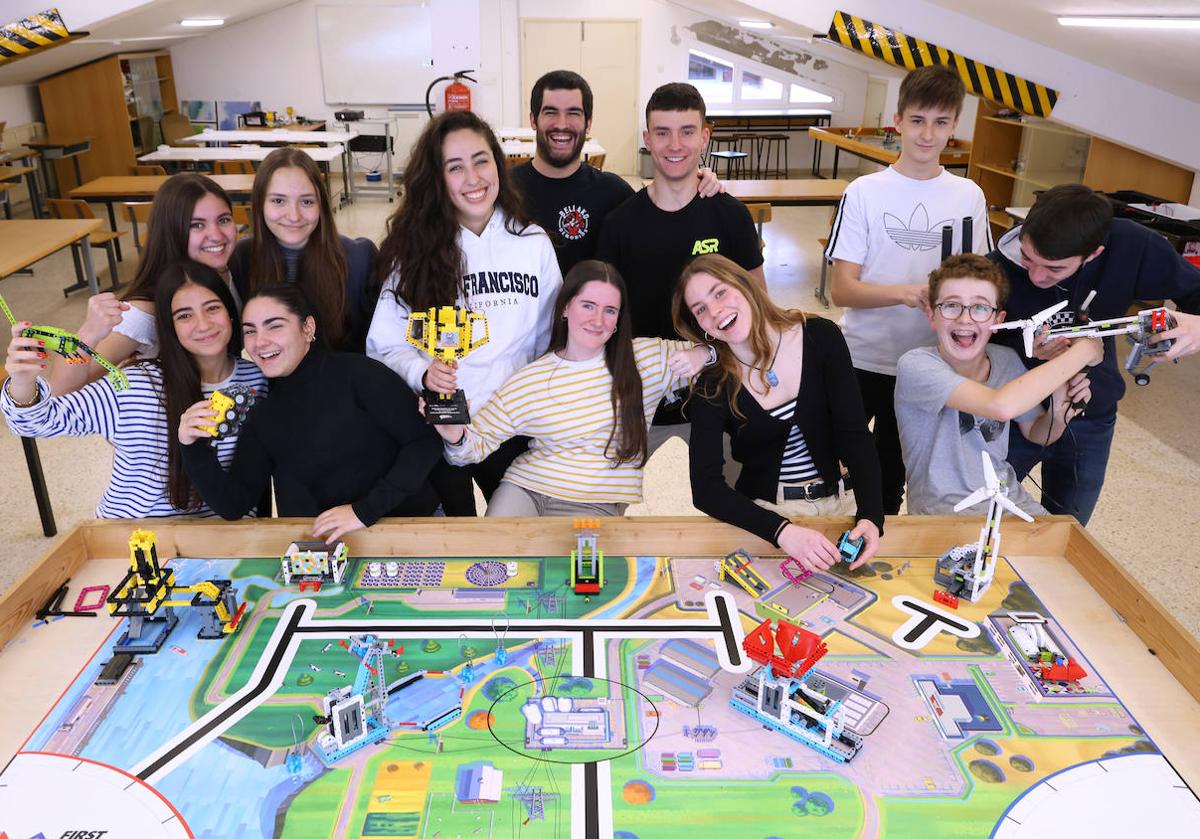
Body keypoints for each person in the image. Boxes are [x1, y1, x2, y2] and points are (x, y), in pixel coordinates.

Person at [366, 110, 563, 514]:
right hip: (438, 424)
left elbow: (552, 343)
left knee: (516, 539)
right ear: (437, 179)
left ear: (498, 164)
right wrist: (422, 372)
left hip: (511, 425)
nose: (473, 178)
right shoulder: (412, 250)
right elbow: (383, 345)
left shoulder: (532, 242)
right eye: (455, 167)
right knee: (454, 540)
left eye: (481, 160)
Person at [825, 64, 991, 516]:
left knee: (893, 480)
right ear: (897, 121)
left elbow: (981, 287)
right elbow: (842, 290)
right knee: (831, 471)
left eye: (940, 123)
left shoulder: (969, 196)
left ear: (955, 126)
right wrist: (905, 293)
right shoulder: (865, 192)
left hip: (929, 367)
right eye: (917, 121)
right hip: (862, 358)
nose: (927, 134)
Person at [430, 260, 711, 516]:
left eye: (609, 310)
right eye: (588, 305)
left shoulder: (646, 359)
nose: (598, 320)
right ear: (565, 307)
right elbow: (471, 447)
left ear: (618, 321)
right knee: (500, 563)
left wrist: (704, 354)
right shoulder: (532, 378)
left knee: (577, 573)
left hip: (595, 503)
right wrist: (454, 435)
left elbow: (726, 350)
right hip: (525, 489)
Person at [989, 184, 1200, 523]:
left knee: (1068, 530)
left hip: (1091, 416)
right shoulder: (997, 265)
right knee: (984, 517)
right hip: (1017, 418)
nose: (1036, 275)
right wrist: (1027, 350)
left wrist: (1196, 325)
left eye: (1054, 269)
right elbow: (974, 348)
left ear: (1094, 254)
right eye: (1028, 259)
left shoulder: (1134, 246)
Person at [3, 261, 265, 518]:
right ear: (169, 327)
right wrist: (23, 381)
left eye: (212, 308)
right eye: (184, 315)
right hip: (132, 534)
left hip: (223, 537)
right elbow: (39, 422)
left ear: (231, 313)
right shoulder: (136, 384)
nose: (204, 324)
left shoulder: (257, 381)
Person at [673, 254, 884, 574]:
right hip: (768, 518)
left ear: (745, 285)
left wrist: (871, 515)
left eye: (720, 293)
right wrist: (783, 532)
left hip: (843, 505)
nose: (715, 311)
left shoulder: (820, 336)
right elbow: (706, 489)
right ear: (699, 325)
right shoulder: (712, 384)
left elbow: (854, 433)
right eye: (700, 309)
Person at [179, 285, 441, 542]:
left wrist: (364, 511)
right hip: (326, 557)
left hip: (411, 534)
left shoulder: (360, 374)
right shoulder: (264, 415)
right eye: (250, 331)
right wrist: (191, 446)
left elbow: (424, 441)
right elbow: (233, 504)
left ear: (308, 328)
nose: (260, 341)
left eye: (275, 325)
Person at [595, 82, 763, 449]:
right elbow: (603, 318)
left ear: (704, 136)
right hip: (639, 394)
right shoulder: (619, 224)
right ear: (647, 138)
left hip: (721, 388)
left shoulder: (731, 217)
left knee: (736, 500)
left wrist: (713, 353)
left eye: (687, 132)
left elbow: (758, 306)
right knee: (605, 500)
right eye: (663, 133)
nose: (675, 145)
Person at [895, 254, 1101, 516]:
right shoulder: (916, 366)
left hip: (1008, 501)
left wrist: (1057, 414)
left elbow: (1036, 433)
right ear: (931, 314)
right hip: (942, 512)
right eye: (951, 306)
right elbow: (1000, 406)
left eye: (980, 308)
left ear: (998, 320)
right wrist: (1085, 351)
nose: (965, 319)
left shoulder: (1006, 360)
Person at [511, 69, 723, 275]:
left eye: (573, 113)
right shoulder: (505, 190)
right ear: (533, 120)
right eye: (551, 112)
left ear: (588, 123)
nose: (562, 124)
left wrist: (696, 180)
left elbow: (664, 217)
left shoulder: (613, 193)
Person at [50, 173, 240, 395]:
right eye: (197, 225)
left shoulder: (231, 271)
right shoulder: (144, 311)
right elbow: (60, 391)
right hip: (168, 424)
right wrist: (87, 334)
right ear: (171, 231)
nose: (216, 235)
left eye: (224, 220)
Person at [229, 147, 376, 352]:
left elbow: (377, 345)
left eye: (306, 201)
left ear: (322, 205)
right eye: (278, 201)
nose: (294, 216)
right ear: (259, 204)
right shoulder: (241, 258)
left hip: (346, 380)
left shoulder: (360, 259)